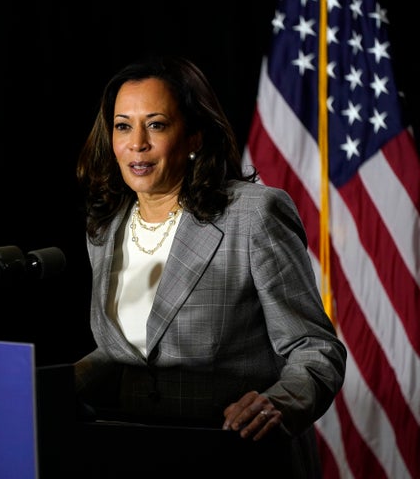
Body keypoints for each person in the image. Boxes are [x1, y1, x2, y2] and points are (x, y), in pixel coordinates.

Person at [73, 55, 347, 477]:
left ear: (195, 136)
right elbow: (125, 353)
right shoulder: (106, 227)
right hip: (136, 453)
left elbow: (316, 349)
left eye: (157, 124)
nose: (137, 143)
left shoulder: (253, 215)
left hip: (237, 457)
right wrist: (45, 385)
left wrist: (280, 401)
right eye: (123, 125)